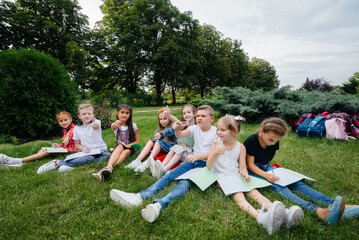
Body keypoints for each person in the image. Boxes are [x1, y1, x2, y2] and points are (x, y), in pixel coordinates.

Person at [109, 105, 217, 223]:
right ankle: (139, 197)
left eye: (203, 116)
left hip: (206, 165)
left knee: (184, 183)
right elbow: (179, 135)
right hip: (192, 161)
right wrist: (176, 128)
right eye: (198, 116)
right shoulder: (195, 128)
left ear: (212, 119)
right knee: (169, 175)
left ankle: (159, 205)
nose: (199, 118)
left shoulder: (216, 133)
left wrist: (197, 156)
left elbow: (215, 154)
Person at [244, 117, 359, 225]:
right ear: (262, 131)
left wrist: (272, 170)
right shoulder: (252, 141)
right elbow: (250, 165)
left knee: (297, 183)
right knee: (280, 186)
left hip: (266, 166)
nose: (274, 143)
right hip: (252, 170)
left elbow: (266, 160)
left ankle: (332, 204)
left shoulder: (274, 140)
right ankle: (318, 211)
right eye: (271, 140)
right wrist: (266, 175)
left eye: (276, 141)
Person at [207, 115, 303, 235]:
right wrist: (215, 153)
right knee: (239, 195)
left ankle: (285, 215)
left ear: (234, 132)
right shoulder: (216, 144)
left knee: (254, 192)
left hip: (236, 175)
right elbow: (209, 166)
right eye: (218, 129)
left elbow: (242, 167)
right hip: (221, 178)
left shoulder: (240, 147)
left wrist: (245, 174)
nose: (218, 132)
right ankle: (261, 218)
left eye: (222, 129)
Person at [37, 104, 111, 174]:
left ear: (93, 115)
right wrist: (82, 148)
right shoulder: (76, 129)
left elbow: (96, 126)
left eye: (89, 113)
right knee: (90, 159)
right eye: (84, 114)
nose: (87, 116)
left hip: (101, 151)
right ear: (79, 116)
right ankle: (57, 162)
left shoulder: (96, 122)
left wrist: (95, 125)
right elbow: (77, 144)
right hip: (88, 153)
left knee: (109, 156)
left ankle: (71, 166)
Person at [0, 111, 77, 167]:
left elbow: (68, 139)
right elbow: (66, 142)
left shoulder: (74, 129)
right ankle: (22, 164)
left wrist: (64, 142)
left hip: (72, 150)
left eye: (65, 120)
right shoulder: (65, 129)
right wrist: (59, 145)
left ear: (71, 119)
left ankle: (16, 160)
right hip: (66, 148)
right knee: (42, 150)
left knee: (46, 152)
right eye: (61, 121)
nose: (63, 122)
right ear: (58, 122)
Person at [92, 104, 140, 182]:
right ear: (117, 113)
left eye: (127, 113)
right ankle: (108, 168)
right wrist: (118, 123)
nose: (124, 115)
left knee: (126, 151)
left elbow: (137, 141)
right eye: (122, 112)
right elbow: (114, 126)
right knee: (120, 146)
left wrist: (127, 145)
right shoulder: (116, 125)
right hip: (119, 147)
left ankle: (105, 170)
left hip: (130, 148)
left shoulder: (133, 125)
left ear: (130, 114)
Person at [149, 104, 196, 178]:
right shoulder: (184, 125)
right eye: (184, 113)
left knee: (179, 148)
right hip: (181, 150)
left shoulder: (197, 128)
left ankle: (164, 170)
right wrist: (169, 115)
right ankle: (160, 167)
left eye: (188, 112)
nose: (186, 115)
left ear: (194, 114)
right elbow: (176, 120)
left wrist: (187, 147)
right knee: (174, 148)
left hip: (190, 153)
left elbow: (199, 146)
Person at [125, 107, 177, 173]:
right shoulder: (160, 128)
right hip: (162, 147)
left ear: (170, 118)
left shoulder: (173, 127)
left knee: (158, 142)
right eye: (160, 119)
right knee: (151, 141)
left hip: (171, 148)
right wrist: (155, 138)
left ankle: (147, 162)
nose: (162, 121)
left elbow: (168, 132)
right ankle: (137, 161)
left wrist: (160, 136)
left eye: (165, 118)